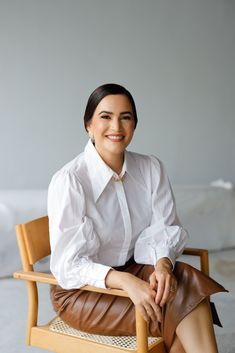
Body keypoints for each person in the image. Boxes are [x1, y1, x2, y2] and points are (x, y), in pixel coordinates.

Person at [48, 83, 227, 353]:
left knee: (183, 280)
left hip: (133, 270)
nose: (116, 127)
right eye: (105, 117)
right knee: (182, 303)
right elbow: (67, 266)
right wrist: (125, 282)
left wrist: (163, 265)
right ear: (88, 125)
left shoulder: (151, 168)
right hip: (81, 293)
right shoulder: (70, 181)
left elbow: (164, 227)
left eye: (126, 117)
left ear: (134, 125)